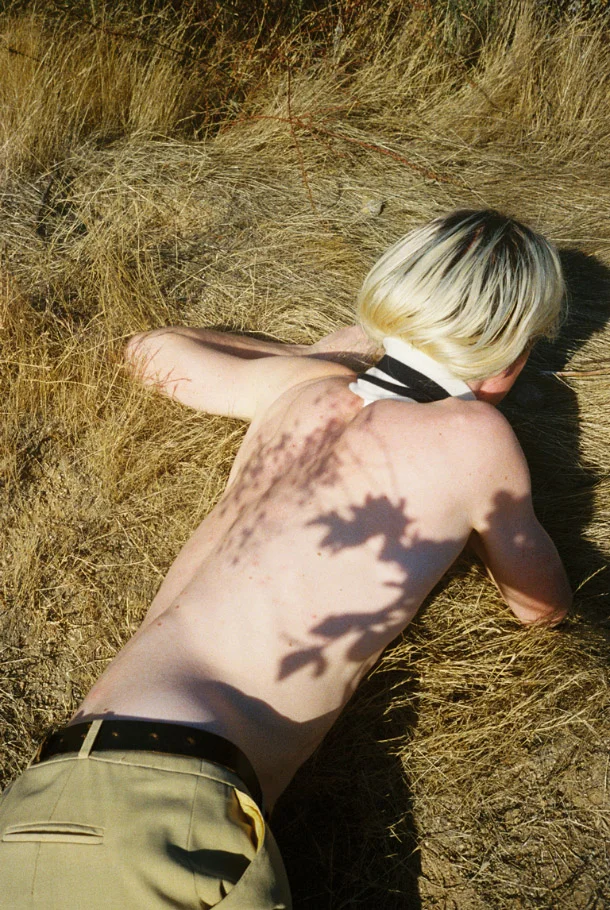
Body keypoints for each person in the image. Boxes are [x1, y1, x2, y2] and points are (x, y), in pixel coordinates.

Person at [0, 209, 572, 908]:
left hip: (51, 787)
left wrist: (318, 358)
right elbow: (542, 607)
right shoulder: (474, 434)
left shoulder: (298, 389)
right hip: (177, 804)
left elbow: (149, 350)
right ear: (510, 360)